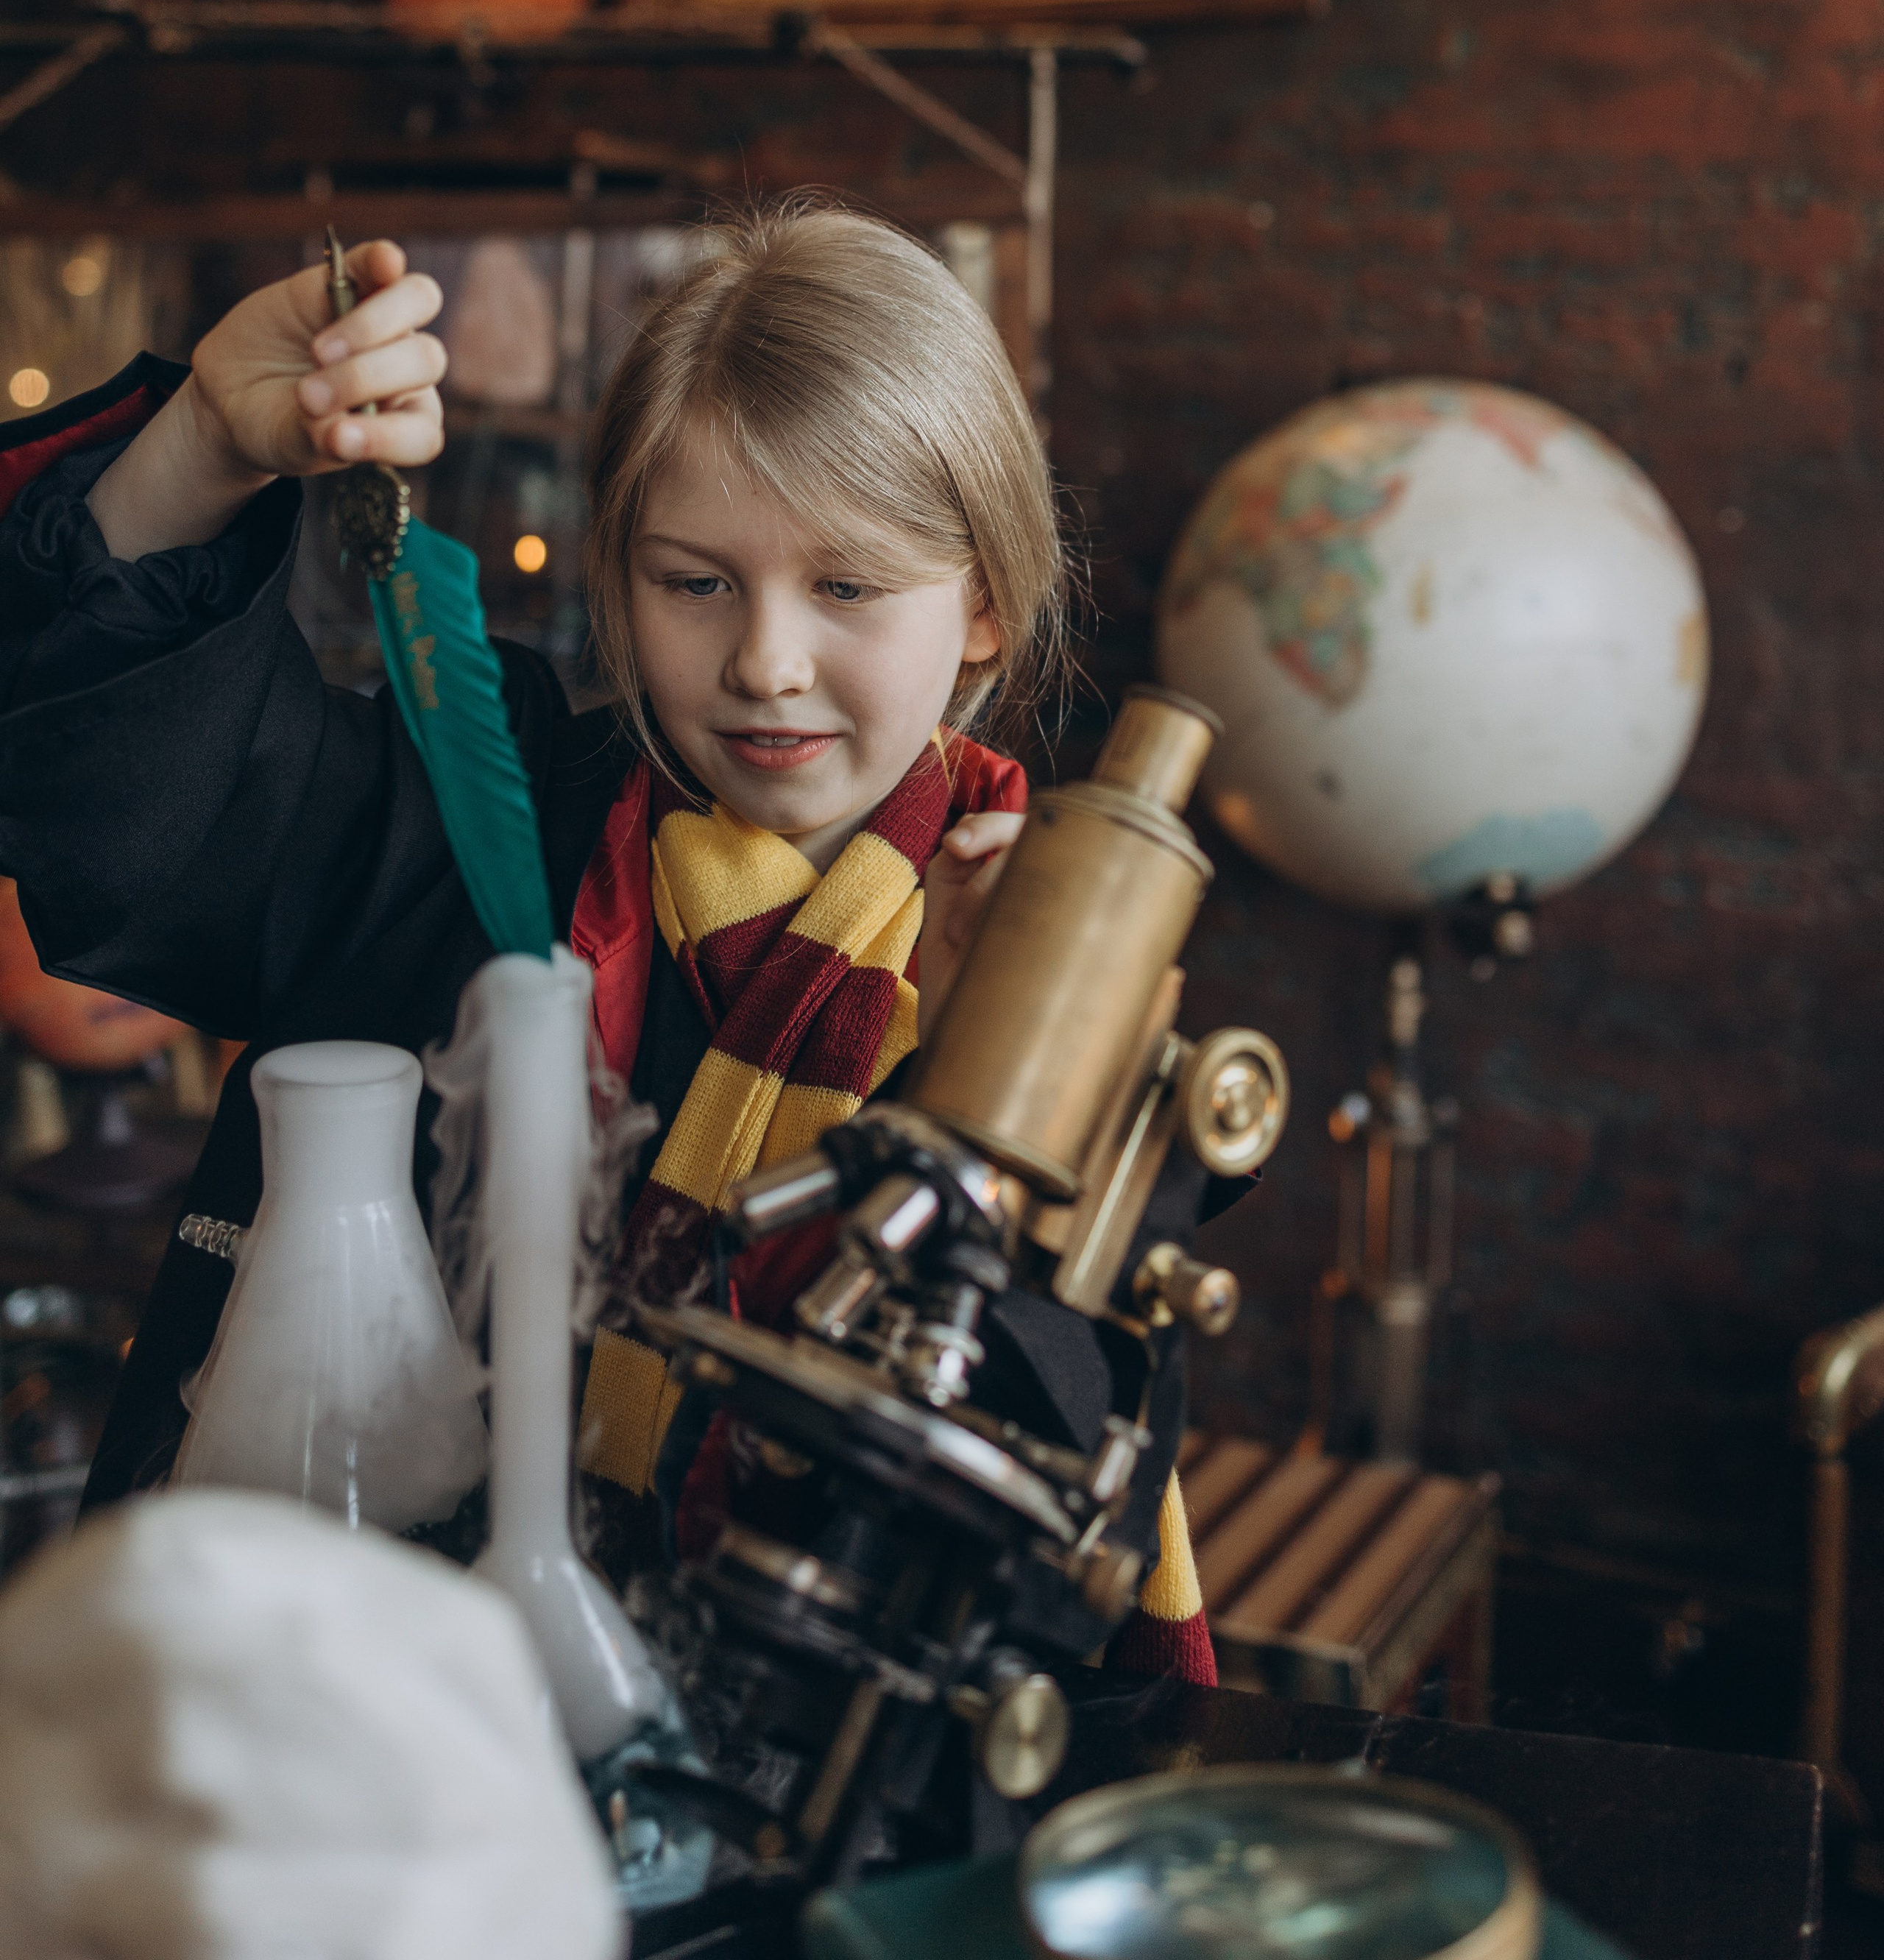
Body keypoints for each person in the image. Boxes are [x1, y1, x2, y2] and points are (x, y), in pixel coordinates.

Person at [0, 201, 1214, 1680]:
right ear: (616, 578)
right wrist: (200, 441)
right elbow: (135, 820)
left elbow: (1026, 1479)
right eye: (692, 581)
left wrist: (978, 1078)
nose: (765, 661)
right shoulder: (461, 822)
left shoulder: (1048, 967)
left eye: (844, 586)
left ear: (983, 605)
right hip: (363, 1728)